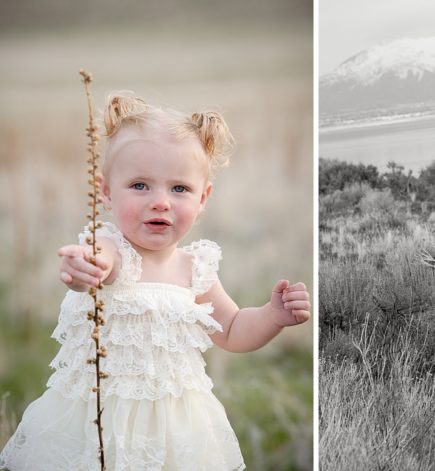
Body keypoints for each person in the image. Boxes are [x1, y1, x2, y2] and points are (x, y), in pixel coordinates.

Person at [0, 93, 311, 470]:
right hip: (101, 420)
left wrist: (272, 316)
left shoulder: (196, 269)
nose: (160, 201)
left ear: (203, 199)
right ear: (107, 192)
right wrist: (83, 266)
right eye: (140, 186)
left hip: (180, 429)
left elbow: (231, 330)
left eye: (179, 188)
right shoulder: (111, 249)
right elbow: (98, 266)